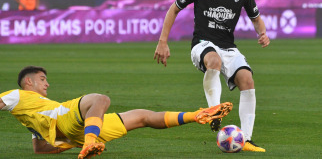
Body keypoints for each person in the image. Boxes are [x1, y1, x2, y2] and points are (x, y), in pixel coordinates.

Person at [154, 0, 270, 152]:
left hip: (228, 47)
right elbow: (174, 9)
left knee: (247, 80)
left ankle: (247, 139)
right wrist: (163, 41)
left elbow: (256, 18)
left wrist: (262, 32)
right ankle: (214, 111)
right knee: (214, 61)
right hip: (202, 44)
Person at [0, 66, 232, 159]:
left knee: (142, 116)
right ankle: (90, 143)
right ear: (28, 82)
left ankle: (197, 115)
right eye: (42, 79)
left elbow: (39, 149)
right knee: (100, 99)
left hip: (74, 132)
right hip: (66, 117)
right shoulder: (18, 95)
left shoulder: (34, 113)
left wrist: (68, 142)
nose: (47, 84)